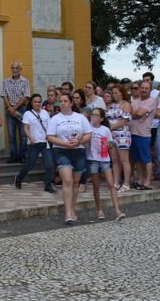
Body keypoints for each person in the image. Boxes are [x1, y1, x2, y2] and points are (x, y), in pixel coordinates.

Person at [46, 93, 92, 225]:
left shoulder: (80, 118)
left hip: (78, 150)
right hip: (61, 150)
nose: (62, 103)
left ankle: (72, 208)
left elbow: (89, 133)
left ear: (71, 103)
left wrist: (80, 141)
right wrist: (65, 143)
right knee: (67, 180)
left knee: (76, 182)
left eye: (65, 101)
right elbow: (50, 136)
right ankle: (67, 213)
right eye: (61, 101)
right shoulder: (55, 119)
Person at [86, 108, 124, 221]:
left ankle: (117, 210)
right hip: (92, 159)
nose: (94, 117)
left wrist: (109, 144)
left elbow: (112, 143)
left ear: (101, 118)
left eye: (96, 115)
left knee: (111, 184)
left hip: (104, 159)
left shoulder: (105, 129)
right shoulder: (88, 128)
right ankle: (99, 210)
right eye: (92, 115)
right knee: (96, 186)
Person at [15, 93, 54, 193]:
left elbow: (49, 126)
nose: (37, 103)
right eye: (35, 102)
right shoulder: (28, 114)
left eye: (39, 102)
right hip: (34, 143)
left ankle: (48, 185)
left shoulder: (45, 113)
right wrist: (30, 137)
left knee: (49, 164)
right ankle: (19, 178)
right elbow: (26, 128)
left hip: (45, 142)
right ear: (31, 103)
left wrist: (50, 136)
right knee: (30, 164)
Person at [129, 80, 157, 190]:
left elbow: (138, 114)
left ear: (150, 90)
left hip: (143, 134)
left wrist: (135, 113)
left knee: (146, 159)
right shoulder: (135, 100)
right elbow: (133, 114)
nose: (144, 90)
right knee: (137, 159)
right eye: (142, 88)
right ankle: (140, 180)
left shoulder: (151, 101)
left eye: (147, 88)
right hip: (133, 133)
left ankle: (147, 181)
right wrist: (135, 113)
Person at [106, 84, 133, 192]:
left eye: (116, 92)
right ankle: (116, 182)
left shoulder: (126, 104)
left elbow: (124, 121)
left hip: (122, 134)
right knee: (115, 160)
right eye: (113, 93)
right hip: (112, 135)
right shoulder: (111, 105)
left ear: (122, 93)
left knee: (124, 160)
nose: (114, 95)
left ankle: (126, 183)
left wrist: (110, 127)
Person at [2, 62, 30, 163]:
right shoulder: (6, 81)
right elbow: (4, 95)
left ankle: (22, 156)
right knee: (11, 135)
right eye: (13, 68)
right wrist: (10, 108)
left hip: (22, 109)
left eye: (17, 68)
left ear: (21, 69)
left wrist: (15, 108)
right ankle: (13, 156)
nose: (15, 70)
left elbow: (26, 96)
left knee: (23, 134)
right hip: (9, 109)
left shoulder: (25, 81)